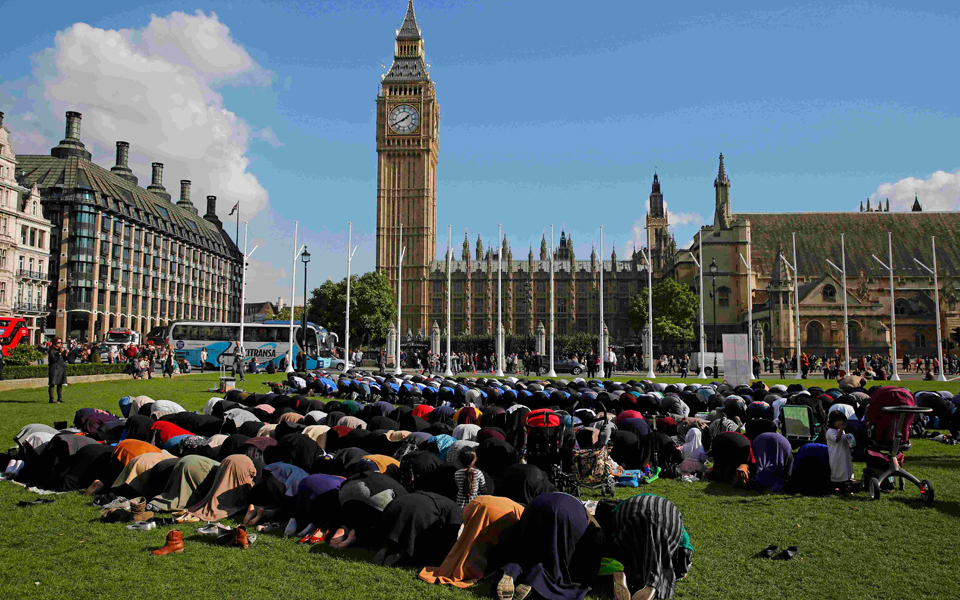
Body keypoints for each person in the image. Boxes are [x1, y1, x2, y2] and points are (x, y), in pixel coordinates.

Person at [595, 494, 693, 600]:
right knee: (665, 558)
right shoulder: (670, 512)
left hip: (631, 521)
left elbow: (613, 537)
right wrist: (681, 570)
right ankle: (653, 583)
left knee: (632, 550)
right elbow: (685, 543)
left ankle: (622, 572)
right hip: (667, 524)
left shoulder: (620, 507)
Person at [826, 412, 855, 493]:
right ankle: (836, 485)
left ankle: (845, 483)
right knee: (837, 469)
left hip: (844, 454)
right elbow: (837, 440)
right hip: (836, 455)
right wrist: (841, 430)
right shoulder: (830, 431)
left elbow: (843, 439)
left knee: (845, 468)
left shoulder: (841, 431)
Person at [47, 338, 67, 404]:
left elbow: (64, 359)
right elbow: (53, 359)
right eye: (58, 342)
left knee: (60, 384)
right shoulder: (51, 350)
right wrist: (60, 353)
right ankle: (51, 399)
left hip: (61, 368)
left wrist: (66, 354)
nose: (59, 344)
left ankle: (59, 398)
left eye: (60, 342)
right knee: (52, 383)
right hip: (54, 368)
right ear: (55, 342)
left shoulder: (60, 350)